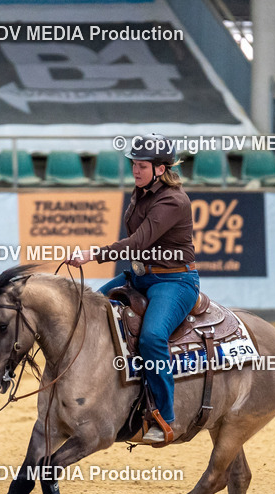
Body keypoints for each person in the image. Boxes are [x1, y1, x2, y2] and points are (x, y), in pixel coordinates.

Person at [67, 133, 199, 443]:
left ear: (159, 168)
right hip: (140, 277)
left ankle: (165, 418)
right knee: (87, 311)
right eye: (133, 165)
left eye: (140, 165)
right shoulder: (142, 191)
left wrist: (93, 254)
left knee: (153, 338)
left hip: (175, 281)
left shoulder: (172, 200)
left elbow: (138, 242)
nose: (135, 171)